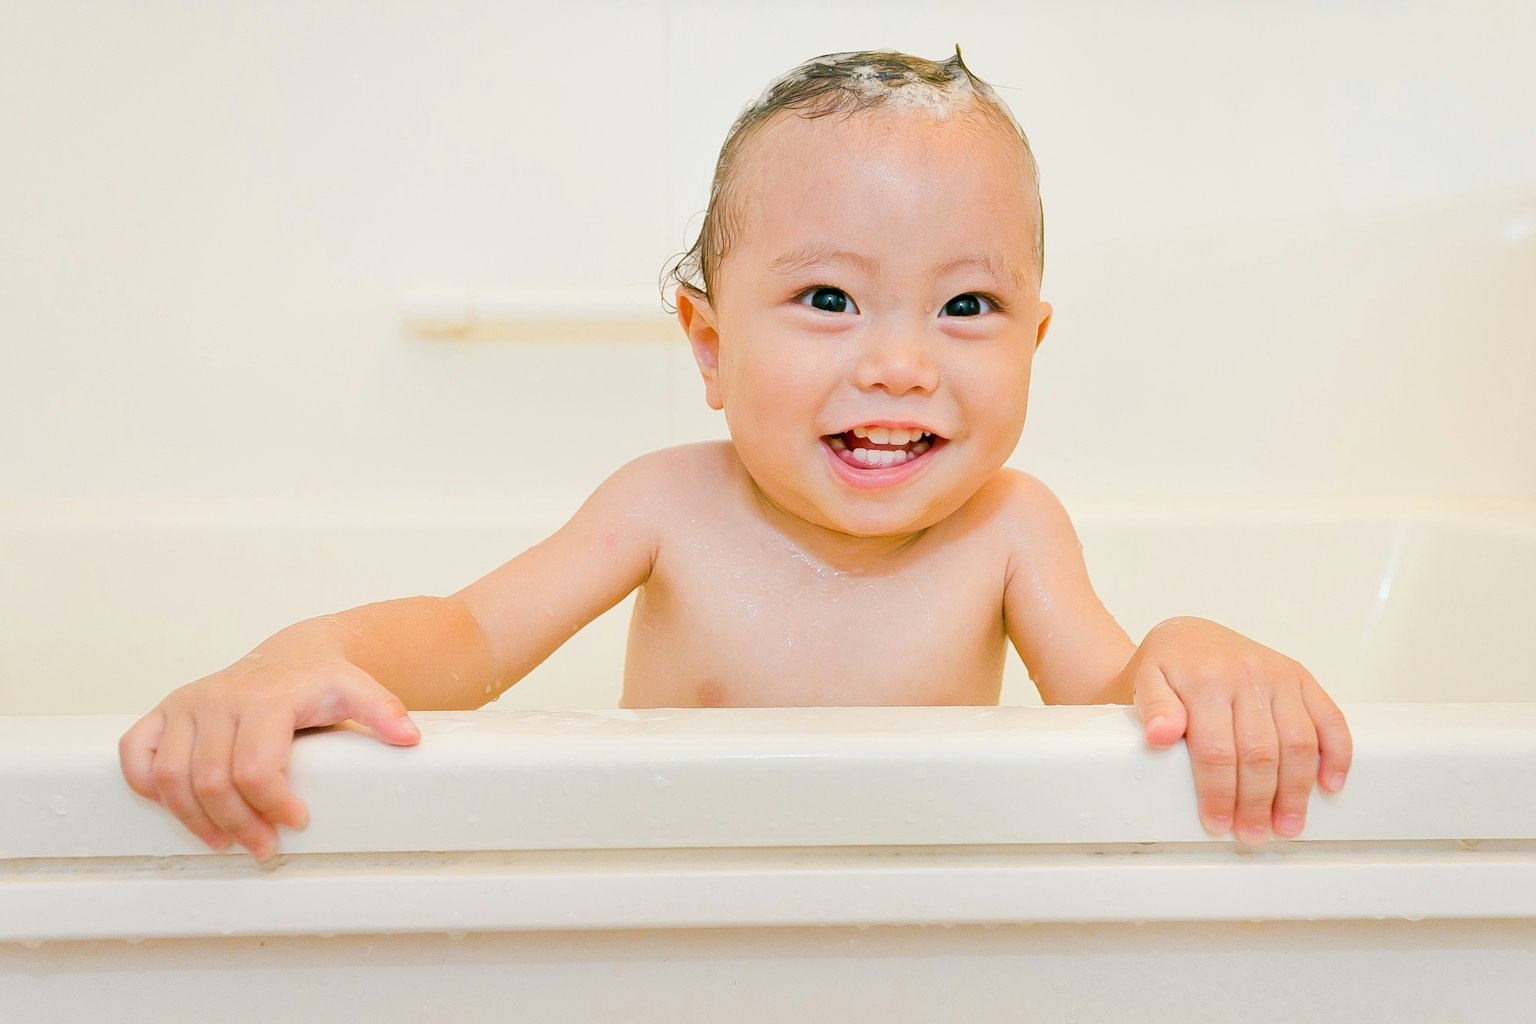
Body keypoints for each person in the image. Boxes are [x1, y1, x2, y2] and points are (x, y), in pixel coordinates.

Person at [119, 48, 1352, 862]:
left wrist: (1188, 650)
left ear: (1034, 338)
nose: (900, 365)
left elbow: (1111, 707)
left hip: (913, 933)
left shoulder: (1012, 529)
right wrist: (306, 658)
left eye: (965, 308)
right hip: (677, 924)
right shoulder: (668, 505)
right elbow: (468, 638)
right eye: (829, 298)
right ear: (707, 345)